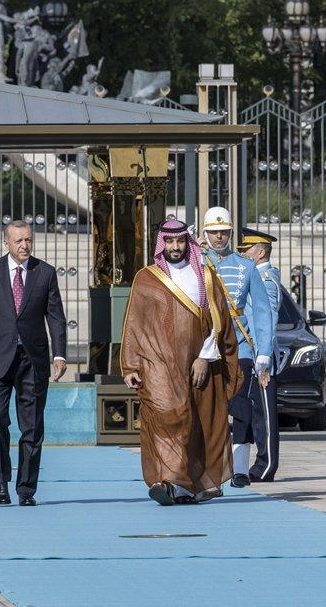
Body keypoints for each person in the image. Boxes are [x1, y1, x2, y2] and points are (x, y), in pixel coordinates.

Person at [121, 219, 240, 505]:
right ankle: (167, 481)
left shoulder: (206, 275)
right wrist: (130, 365)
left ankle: (186, 486)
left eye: (180, 241)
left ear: (188, 242)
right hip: (157, 366)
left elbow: (218, 322)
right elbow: (134, 324)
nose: (175, 247)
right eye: (170, 241)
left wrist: (204, 357)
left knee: (196, 422)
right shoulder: (147, 278)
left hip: (198, 363)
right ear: (162, 243)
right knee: (166, 417)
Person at [0, 220, 67, 506]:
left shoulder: (44, 273)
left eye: (28, 240)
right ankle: (0, 482)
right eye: (19, 241)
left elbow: (55, 317)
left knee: (32, 426)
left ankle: (26, 489)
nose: (24, 246)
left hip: (32, 360)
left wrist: (58, 355)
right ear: (7, 243)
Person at [199, 208, 275, 489]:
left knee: (241, 405)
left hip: (239, 345)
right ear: (205, 233)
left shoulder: (246, 266)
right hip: (205, 346)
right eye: (214, 232)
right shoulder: (197, 263)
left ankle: (240, 467)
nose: (220, 237)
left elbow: (263, 311)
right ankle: (210, 468)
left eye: (225, 232)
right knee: (209, 408)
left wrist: (263, 351)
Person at [239, 227, 283, 482]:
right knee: (253, 412)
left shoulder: (266, 278)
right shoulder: (254, 276)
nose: (243, 253)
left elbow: (269, 318)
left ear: (261, 252)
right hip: (251, 352)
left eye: (247, 249)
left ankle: (266, 466)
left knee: (265, 415)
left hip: (260, 356)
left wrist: (262, 356)